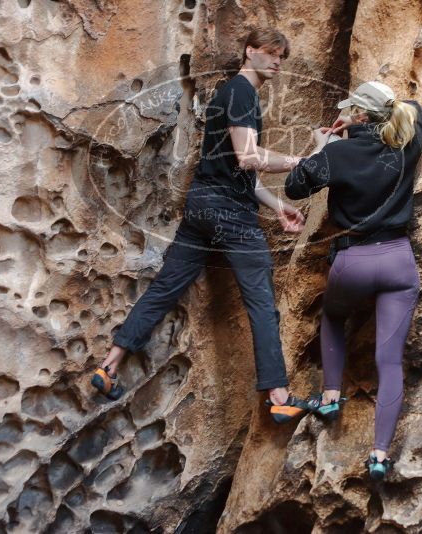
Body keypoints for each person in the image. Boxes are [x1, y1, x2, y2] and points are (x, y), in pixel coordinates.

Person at [92, 28, 312, 423]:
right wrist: (300, 162)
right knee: (262, 302)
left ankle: (108, 366)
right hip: (229, 213)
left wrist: (279, 206)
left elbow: (240, 171)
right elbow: (248, 158)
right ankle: (279, 395)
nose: (278, 61)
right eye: (271, 53)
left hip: (203, 205)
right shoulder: (243, 92)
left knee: (165, 287)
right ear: (250, 52)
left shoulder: (227, 94)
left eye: (283, 56)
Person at [284, 81, 422, 480]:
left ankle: (331, 397)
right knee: (390, 360)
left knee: (332, 316)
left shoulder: (338, 152)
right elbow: (412, 108)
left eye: (350, 109)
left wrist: (322, 146)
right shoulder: (407, 142)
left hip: (354, 260)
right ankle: (379, 455)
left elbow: (295, 187)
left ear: (361, 114)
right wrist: (370, 115)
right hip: (399, 260)